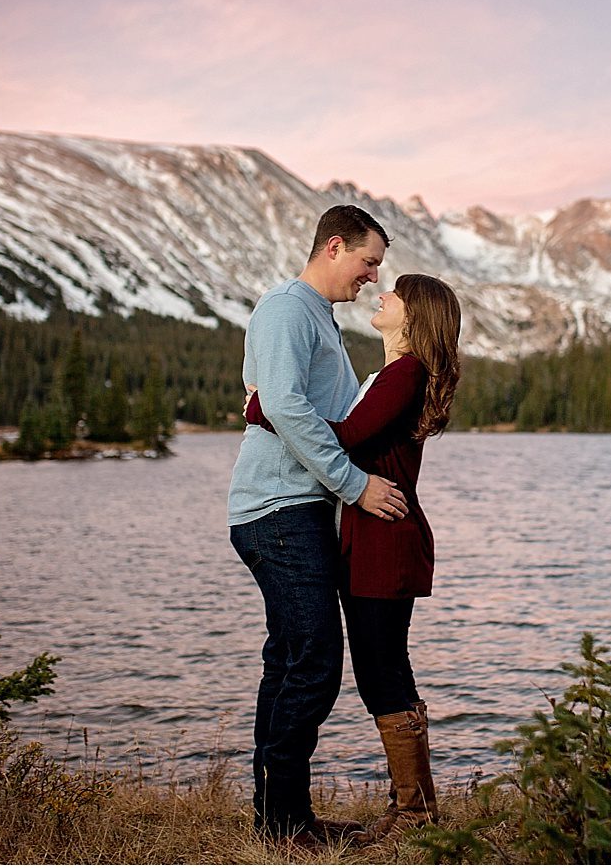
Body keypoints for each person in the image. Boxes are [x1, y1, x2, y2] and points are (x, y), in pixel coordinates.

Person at [247, 272, 463, 840]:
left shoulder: (405, 372)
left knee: (382, 671)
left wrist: (264, 409)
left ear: (414, 316)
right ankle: (413, 807)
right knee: (383, 668)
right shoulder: (394, 374)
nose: (382, 294)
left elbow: (345, 436)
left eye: (397, 294)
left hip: (383, 542)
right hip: (373, 539)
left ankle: (413, 812)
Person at [227, 205, 409, 846]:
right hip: (278, 509)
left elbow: (322, 412)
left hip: (297, 508)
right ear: (335, 247)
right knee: (315, 662)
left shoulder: (318, 318)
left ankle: (277, 821)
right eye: (368, 262)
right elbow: (281, 404)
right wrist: (357, 487)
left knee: (288, 662)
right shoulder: (287, 308)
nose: (372, 276)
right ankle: (286, 824)